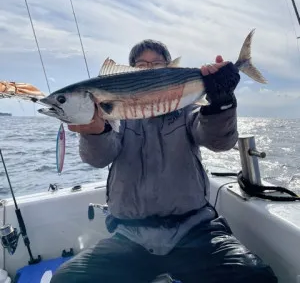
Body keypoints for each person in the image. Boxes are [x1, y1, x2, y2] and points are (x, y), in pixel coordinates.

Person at [51, 40, 277, 283]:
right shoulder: (114, 118)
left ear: (170, 69)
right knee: (66, 280)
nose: (149, 70)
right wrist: (94, 132)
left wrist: (221, 103)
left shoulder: (188, 109)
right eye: (141, 65)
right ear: (129, 72)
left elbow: (218, 142)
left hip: (195, 231)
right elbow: (98, 158)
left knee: (255, 276)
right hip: (129, 236)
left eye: (156, 64)